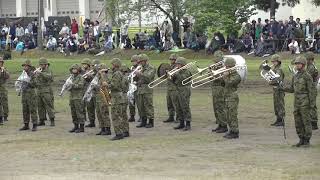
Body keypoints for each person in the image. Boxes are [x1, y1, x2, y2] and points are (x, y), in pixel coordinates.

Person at [284, 56, 313, 147]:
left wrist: (312, 105)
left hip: (305, 102)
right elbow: (292, 89)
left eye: (298, 64)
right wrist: (281, 87)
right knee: (298, 121)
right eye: (296, 64)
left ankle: (307, 140)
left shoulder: (307, 76)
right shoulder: (295, 76)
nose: (296, 65)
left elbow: (311, 91)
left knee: (306, 121)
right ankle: (301, 139)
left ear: (303, 65)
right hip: (296, 102)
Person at [222, 58, 241, 139]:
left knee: (232, 115)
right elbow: (223, 84)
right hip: (227, 96)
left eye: (227, 66)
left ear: (231, 66)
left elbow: (229, 83)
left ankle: (235, 131)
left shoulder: (237, 76)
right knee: (228, 115)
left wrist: (225, 76)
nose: (225, 68)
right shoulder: (228, 75)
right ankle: (231, 130)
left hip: (232, 97)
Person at [135, 54, 156, 128]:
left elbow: (148, 78)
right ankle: (143, 121)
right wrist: (134, 76)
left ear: (146, 61)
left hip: (147, 89)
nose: (140, 63)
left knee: (148, 105)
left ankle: (151, 121)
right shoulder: (140, 68)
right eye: (139, 62)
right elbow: (137, 80)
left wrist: (140, 74)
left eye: (141, 61)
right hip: (140, 89)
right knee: (141, 106)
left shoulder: (151, 68)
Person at [172, 57, 192, 131]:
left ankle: (188, 123)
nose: (177, 65)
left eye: (178, 64)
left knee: (185, 106)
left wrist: (176, 73)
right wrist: (171, 76)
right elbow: (175, 81)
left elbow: (183, 79)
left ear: (183, 64)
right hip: (178, 89)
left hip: (184, 90)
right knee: (178, 107)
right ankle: (181, 122)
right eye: (176, 64)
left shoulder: (186, 71)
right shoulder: (178, 71)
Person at [109, 58, 126, 140]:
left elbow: (115, 85)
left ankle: (119, 133)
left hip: (116, 97)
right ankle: (120, 132)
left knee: (115, 115)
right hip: (117, 96)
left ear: (115, 65)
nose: (111, 66)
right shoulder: (117, 73)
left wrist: (106, 84)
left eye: (112, 64)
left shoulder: (117, 74)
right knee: (118, 115)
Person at [19, 60, 38, 131]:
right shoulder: (23, 74)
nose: (24, 67)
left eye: (26, 66)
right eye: (23, 66)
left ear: (29, 66)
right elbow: (20, 82)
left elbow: (35, 84)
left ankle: (34, 125)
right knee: (25, 110)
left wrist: (28, 82)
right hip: (24, 94)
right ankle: (26, 124)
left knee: (32, 109)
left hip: (31, 94)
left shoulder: (33, 74)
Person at [211, 51, 227, 133]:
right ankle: (220, 124)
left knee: (221, 107)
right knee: (216, 107)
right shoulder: (214, 67)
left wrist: (215, 75)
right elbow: (210, 78)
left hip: (221, 89)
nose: (215, 61)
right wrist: (210, 73)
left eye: (217, 59)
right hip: (214, 89)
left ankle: (224, 125)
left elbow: (224, 79)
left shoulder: (224, 67)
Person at [36, 57, 55, 126]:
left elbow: (49, 77)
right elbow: (36, 80)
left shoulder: (48, 71)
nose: (40, 66)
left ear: (45, 65)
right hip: (39, 90)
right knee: (40, 106)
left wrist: (40, 73)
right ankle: (42, 120)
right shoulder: (39, 71)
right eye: (40, 64)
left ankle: (52, 120)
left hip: (46, 90)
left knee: (49, 105)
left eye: (42, 64)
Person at [67, 64, 85, 133]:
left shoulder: (81, 77)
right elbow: (69, 87)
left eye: (75, 69)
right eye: (73, 69)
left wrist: (72, 85)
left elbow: (81, 85)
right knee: (73, 112)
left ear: (78, 70)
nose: (73, 70)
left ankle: (81, 127)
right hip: (72, 97)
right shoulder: (71, 77)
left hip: (78, 97)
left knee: (79, 112)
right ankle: (76, 126)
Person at [269, 54, 285, 127]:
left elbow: (278, 80)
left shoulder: (279, 70)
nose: (273, 63)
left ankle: (281, 120)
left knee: (280, 105)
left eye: (274, 61)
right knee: (276, 105)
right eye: (272, 62)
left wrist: (271, 82)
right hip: (275, 89)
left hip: (279, 89)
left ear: (278, 62)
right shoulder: (275, 69)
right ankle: (278, 119)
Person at [81, 58, 96, 128]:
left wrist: (90, 76)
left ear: (88, 65)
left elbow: (95, 79)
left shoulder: (93, 71)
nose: (83, 65)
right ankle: (91, 122)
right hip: (86, 91)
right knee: (89, 107)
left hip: (93, 91)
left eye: (85, 64)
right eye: (83, 64)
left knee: (94, 107)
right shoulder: (83, 72)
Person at [305, 52, 318, 130]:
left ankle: (314, 123)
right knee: (310, 105)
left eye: (307, 59)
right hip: (310, 88)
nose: (306, 60)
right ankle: (312, 121)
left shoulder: (311, 68)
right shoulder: (309, 66)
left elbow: (307, 77)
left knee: (312, 106)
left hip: (312, 89)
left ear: (310, 59)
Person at [163, 54, 178, 123]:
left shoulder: (178, 67)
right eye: (171, 59)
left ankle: (178, 117)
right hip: (169, 88)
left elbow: (176, 77)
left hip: (175, 88)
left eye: (173, 59)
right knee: (169, 103)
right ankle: (171, 116)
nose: (171, 61)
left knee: (176, 103)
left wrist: (169, 73)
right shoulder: (169, 66)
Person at [128, 55, 140, 122]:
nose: (133, 63)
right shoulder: (132, 67)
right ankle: (132, 116)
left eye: (134, 61)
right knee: (131, 102)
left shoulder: (140, 67)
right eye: (132, 61)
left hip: (137, 86)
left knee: (139, 103)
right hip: (131, 86)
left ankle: (141, 116)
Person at [120, 64, 130, 137]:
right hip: (121, 96)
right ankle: (123, 130)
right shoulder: (123, 77)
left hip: (123, 96)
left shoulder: (125, 78)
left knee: (123, 114)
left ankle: (125, 131)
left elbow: (122, 87)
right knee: (121, 114)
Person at [0, 57, 9, 125]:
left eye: (1, 62)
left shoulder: (4, 69)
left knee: (4, 102)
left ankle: (5, 115)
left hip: (3, 88)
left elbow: (7, 76)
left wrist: (3, 71)